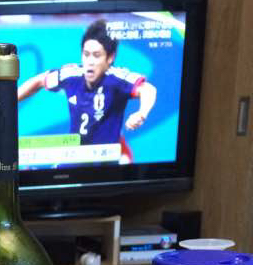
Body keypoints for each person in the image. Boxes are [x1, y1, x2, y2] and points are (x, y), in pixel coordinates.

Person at [18, 19, 157, 162]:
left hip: (107, 159)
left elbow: (148, 89)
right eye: (86, 54)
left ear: (110, 57)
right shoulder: (71, 76)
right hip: (76, 156)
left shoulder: (117, 79)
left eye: (96, 55)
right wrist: (10, 100)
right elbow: (39, 81)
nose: (90, 62)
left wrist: (142, 113)